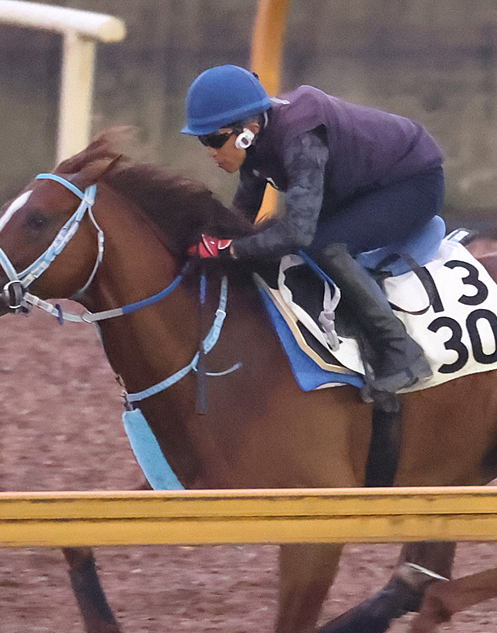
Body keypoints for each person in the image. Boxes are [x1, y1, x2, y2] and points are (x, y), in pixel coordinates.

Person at [182, 64, 444, 395]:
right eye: (202, 140)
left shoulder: (301, 138)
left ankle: (402, 353)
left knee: (324, 245)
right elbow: (242, 216)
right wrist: (206, 243)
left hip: (413, 184)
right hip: (362, 189)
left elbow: (297, 234)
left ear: (248, 131)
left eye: (214, 139)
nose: (209, 152)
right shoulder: (258, 138)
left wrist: (229, 250)